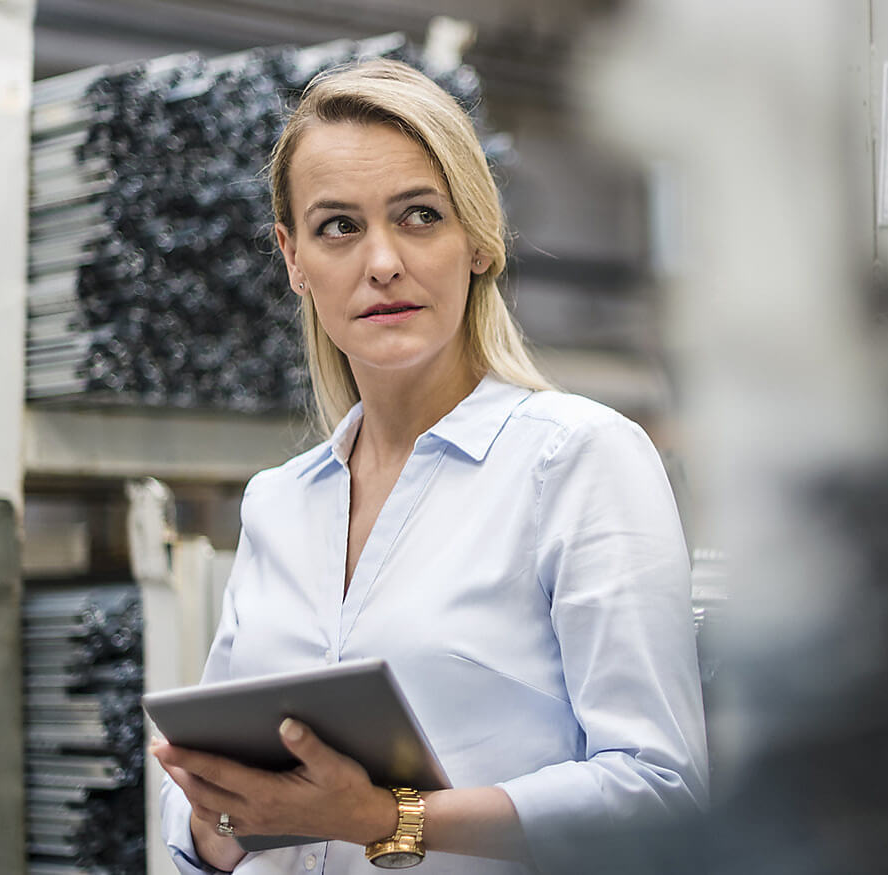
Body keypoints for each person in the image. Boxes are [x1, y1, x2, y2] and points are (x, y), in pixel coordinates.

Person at [152, 59, 708, 874]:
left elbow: (661, 786)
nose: (381, 262)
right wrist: (221, 817)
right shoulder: (280, 503)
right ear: (293, 258)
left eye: (418, 216)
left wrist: (388, 816)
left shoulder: (576, 460)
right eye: (338, 226)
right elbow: (203, 806)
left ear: (479, 239)